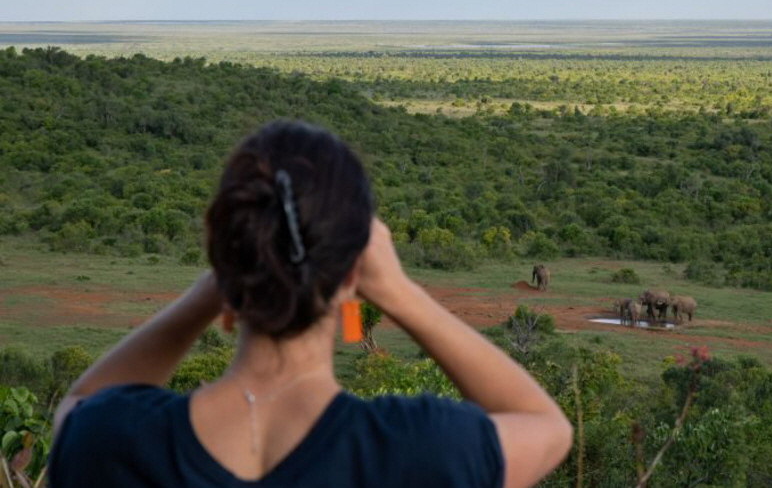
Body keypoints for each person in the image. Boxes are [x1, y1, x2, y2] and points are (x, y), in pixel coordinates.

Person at [48, 120, 573, 487]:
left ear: (225, 258)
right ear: (354, 270)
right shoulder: (423, 448)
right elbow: (548, 426)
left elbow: (83, 400)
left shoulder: (111, 440)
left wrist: (222, 279)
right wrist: (399, 292)